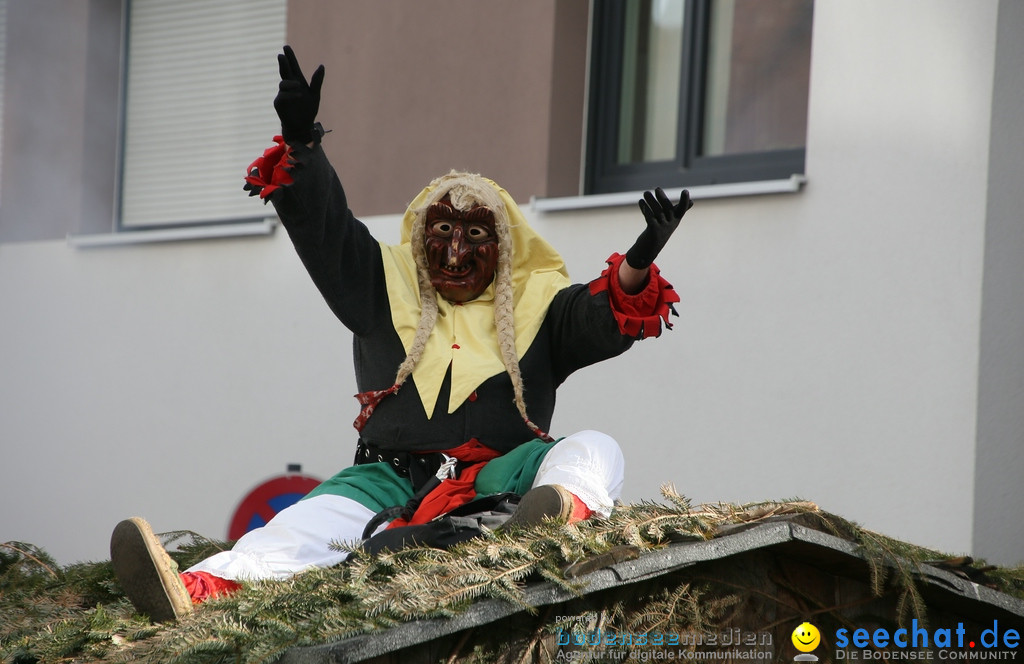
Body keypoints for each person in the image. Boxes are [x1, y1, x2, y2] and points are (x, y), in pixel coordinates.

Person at [110, 46, 692, 622]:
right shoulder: (379, 285)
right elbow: (328, 229)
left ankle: (548, 519)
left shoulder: (539, 306)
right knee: (295, 531)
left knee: (596, 448)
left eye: (475, 236)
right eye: (442, 230)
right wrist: (301, 141)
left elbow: (603, 316)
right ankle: (187, 590)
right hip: (386, 479)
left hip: (501, 479)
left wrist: (638, 259)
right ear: (419, 236)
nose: (457, 251)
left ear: (505, 248)